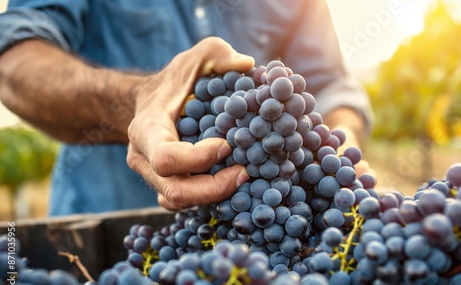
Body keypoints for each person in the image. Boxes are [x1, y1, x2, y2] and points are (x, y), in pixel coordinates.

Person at [0, 0, 374, 216]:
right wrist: (138, 100)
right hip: (98, 233)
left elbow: (327, 83)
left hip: (251, 228)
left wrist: (336, 149)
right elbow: (15, 60)